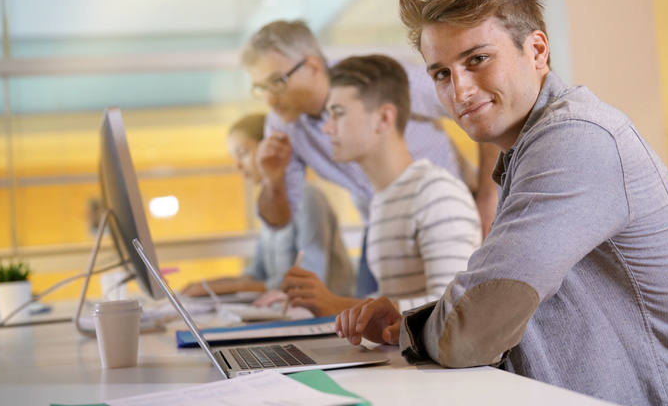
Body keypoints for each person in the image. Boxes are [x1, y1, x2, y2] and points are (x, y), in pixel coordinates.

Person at [334, 0, 668, 406]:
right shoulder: (530, 147)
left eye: (478, 60)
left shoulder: (577, 138)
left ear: (537, 51)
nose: (460, 91)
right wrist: (403, 328)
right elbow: (482, 312)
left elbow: (475, 328)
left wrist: (414, 330)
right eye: (442, 73)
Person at [242, 20, 499, 297]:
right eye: (260, 88)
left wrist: (487, 196)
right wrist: (272, 180)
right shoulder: (282, 124)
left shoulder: (375, 79)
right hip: (383, 217)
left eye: (276, 83)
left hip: (450, 208)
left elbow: (481, 111)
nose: (268, 99)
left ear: (313, 67)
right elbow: (280, 220)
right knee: (368, 321)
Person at [279, 55, 482, 317]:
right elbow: (393, 299)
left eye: (338, 114)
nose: (327, 128)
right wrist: (328, 304)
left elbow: (454, 309)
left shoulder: (436, 194)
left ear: (384, 118)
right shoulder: (381, 202)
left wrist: (335, 305)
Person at [182, 114, 353, 298]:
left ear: (270, 148)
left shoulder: (307, 197)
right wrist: (208, 286)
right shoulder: (270, 206)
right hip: (284, 308)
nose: (237, 166)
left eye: (243, 153)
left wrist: (231, 288)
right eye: (234, 157)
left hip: (324, 317)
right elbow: (257, 273)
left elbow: (311, 279)